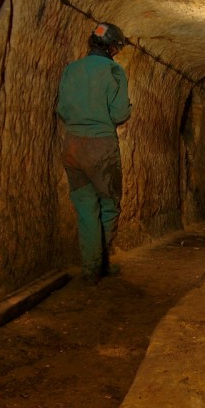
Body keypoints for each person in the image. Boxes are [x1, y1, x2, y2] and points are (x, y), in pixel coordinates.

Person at [56, 22, 131, 284]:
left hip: (72, 145)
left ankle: (90, 270)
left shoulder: (71, 69)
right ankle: (104, 264)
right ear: (111, 47)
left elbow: (62, 109)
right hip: (101, 146)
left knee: (85, 207)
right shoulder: (114, 71)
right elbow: (120, 113)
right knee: (109, 204)